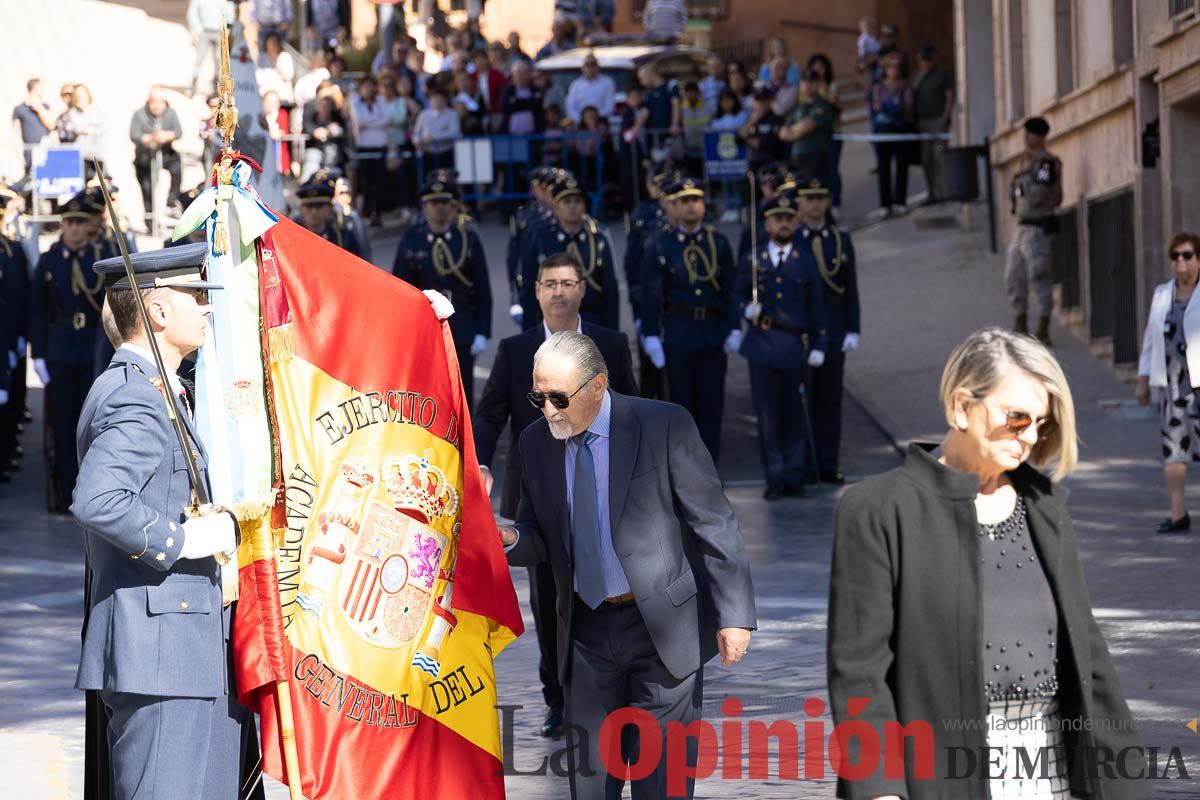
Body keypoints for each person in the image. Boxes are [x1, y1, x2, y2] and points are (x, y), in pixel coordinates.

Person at [828, 327, 1148, 800]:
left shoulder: (1044, 507)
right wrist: (879, 791)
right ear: (962, 406)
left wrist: (1126, 784)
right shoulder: (877, 510)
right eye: (1017, 419)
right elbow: (859, 674)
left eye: (1042, 423)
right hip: (940, 775)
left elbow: (1089, 657)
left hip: (1050, 764)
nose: (1031, 437)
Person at [498, 330, 756, 800]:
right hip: (585, 633)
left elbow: (713, 521)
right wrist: (511, 538)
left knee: (662, 787)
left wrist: (734, 614)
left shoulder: (664, 425)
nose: (549, 410)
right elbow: (539, 535)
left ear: (598, 386)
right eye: (539, 397)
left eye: (560, 397)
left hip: (661, 631)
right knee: (591, 787)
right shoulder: (536, 442)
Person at [75, 242, 261, 800]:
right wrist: (182, 539)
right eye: (196, 295)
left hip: (185, 649)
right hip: (159, 655)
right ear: (156, 311)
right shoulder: (136, 396)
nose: (207, 307)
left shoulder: (160, 388)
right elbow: (98, 499)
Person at [474, 252, 637, 739]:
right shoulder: (514, 349)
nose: (560, 292)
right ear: (537, 291)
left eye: (568, 283)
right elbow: (489, 414)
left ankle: (621, 689)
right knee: (550, 600)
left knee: (613, 583)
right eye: (550, 284)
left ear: (583, 288)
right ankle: (559, 698)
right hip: (540, 496)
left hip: (604, 488)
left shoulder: (609, 343)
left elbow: (632, 407)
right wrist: (479, 463)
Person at [733, 191, 827, 499]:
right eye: (777, 219)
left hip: (793, 346)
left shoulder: (805, 260)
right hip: (762, 345)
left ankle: (794, 476)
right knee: (768, 417)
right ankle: (774, 477)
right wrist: (746, 308)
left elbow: (817, 306)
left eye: (788, 218)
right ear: (767, 223)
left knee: (794, 415)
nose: (783, 224)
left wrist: (819, 343)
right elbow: (736, 294)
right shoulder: (753, 259)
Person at [640, 177, 737, 463]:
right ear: (674, 206)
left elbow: (730, 289)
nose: (692, 207)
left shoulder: (717, 242)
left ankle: (710, 467)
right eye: (684, 201)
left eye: (696, 200)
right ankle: (683, 470)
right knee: (682, 405)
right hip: (679, 332)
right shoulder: (661, 244)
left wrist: (734, 327)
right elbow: (650, 293)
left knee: (712, 404)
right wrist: (651, 334)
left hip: (711, 332)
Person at [29, 193, 108, 513]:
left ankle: (91, 488)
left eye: (80, 222)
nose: (74, 228)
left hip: (92, 348)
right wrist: (38, 353)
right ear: (62, 224)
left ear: (88, 226)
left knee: (91, 423)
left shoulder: (99, 257)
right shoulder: (50, 260)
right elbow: (38, 310)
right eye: (69, 222)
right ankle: (65, 488)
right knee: (62, 424)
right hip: (60, 350)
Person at [392, 172, 492, 408]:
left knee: (462, 393)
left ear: (453, 205)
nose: (439, 209)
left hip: (462, 325)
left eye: (444, 203)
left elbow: (482, 287)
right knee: (428, 393)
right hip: (425, 328)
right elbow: (400, 287)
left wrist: (482, 331)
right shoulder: (412, 238)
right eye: (433, 203)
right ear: (424, 206)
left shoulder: (467, 238)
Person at [794, 177, 859, 484]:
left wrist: (853, 327)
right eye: (810, 198)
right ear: (800, 203)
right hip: (803, 332)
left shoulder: (839, 240)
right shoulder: (794, 241)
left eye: (821, 197)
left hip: (833, 330)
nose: (816, 204)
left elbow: (850, 289)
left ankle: (829, 463)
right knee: (804, 399)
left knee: (830, 400)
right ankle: (806, 466)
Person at [1136, 232, 1200, 534]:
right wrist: (1143, 379)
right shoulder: (1163, 294)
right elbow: (1150, 339)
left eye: (1187, 255)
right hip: (1172, 387)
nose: (1181, 262)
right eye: (1175, 257)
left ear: (1198, 259)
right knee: (1174, 452)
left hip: (1199, 385)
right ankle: (1178, 515)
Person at [519, 173, 620, 331]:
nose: (572, 206)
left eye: (577, 201)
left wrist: (613, 332)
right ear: (556, 206)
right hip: (552, 324)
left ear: (584, 206)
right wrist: (530, 333)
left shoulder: (597, 240)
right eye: (566, 202)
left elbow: (610, 291)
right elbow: (529, 290)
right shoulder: (542, 239)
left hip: (591, 321)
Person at [1005, 116, 1062, 345]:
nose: (1026, 139)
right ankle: (1020, 321)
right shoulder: (1025, 163)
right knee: (1013, 276)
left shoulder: (1045, 164)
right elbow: (1016, 196)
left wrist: (1022, 183)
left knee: (1039, 275)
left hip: (1038, 228)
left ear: (1040, 137)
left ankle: (1043, 325)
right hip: (1022, 226)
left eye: (1030, 134)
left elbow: (1039, 195)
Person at [0, 189, 31, 483]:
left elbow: (19, 297)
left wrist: (18, 337)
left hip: (5, 336)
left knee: (6, 407)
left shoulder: (11, 250)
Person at [869, 51, 914, 215]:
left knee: (902, 165)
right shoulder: (879, 87)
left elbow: (908, 105)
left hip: (900, 128)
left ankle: (900, 201)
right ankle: (885, 204)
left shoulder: (905, 86)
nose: (893, 70)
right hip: (884, 130)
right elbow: (877, 106)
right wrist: (891, 109)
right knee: (884, 166)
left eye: (897, 66)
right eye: (890, 66)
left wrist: (898, 110)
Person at [129, 87, 183, 223]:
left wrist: (167, 135)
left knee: (177, 165)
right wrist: (149, 138)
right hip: (145, 155)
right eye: (153, 101)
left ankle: (172, 199)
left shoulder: (171, 113)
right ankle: (149, 216)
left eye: (160, 101)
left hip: (165, 152)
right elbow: (134, 135)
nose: (157, 105)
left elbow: (178, 132)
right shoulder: (139, 114)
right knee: (147, 186)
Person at [913, 44, 954, 203]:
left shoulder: (942, 74)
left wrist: (945, 117)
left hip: (937, 119)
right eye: (921, 61)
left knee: (940, 157)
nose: (923, 64)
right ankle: (931, 191)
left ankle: (943, 191)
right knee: (926, 158)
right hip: (923, 120)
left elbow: (949, 96)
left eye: (925, 61)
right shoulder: (918, 76)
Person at [779, 68, 835, 184]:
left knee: (815, 197)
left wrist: (794, 130)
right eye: (804, 82)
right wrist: (797, 130)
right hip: (797, 160)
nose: (808, 85)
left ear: (818, 84)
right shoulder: (799, 107)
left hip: (815, 159)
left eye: (812, 81)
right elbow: (783, 133)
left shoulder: (822, 106)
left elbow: (806, 127)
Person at [804, 53, 843, 213]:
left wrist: (821, 89)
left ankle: (835, 204)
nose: (818, 69)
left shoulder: (832, 86)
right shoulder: (806, 88)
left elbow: (835, 107)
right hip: (814, 136)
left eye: (821, 66)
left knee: (832, 169)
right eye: (815, 66)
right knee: (818, 171)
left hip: (832, 133)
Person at [350, 75, 390, 227]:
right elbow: (359, 120)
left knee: (380, 180)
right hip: (364, 146)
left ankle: (378, 212)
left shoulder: (381, 100)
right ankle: (367, 212)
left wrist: (370, 124)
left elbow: (387, 118)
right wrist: (377, 123)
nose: (368, 89)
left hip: (380, 145)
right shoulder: (355, 102)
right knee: (366, 180)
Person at [294, 173, 365, 257]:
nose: (314, 211)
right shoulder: (292, 236)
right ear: (301, 209)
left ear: (330, 208)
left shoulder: (342, 237)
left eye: (319, 206)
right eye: (309, 207)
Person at [187, 0, 236, 97]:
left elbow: (229, 14)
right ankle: (193, 86)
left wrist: (228, 30)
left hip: (219, 32)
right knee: (199, 59)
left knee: (219, 60)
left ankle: (217, 87)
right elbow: (191, 14)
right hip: (204, 32)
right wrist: (198, 29)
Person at [12, 78, 58, 179]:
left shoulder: (45, 106)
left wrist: (38, 108)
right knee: (30, 179)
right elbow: (16, 134)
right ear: (36, 88)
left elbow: (52, 126)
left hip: (45, 149)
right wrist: (20, 155)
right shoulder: (19, 109)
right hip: (29, 151)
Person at [412, 86, 461, 175]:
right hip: (428, 153)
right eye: (434, 99)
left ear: (445, 100)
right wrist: (419, 141)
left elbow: (455, 133)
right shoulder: (424, 114)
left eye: (440, 99)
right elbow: (416, 134)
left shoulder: (451, 114)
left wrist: (434, 137)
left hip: (445, 153)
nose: (437, 102)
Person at [739, 88, 787, 175]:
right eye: (757, 100)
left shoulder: (777, 119)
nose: (760, 104)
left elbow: (768, 144)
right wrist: (753, 121)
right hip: (752, 165)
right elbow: (737, 140)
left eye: (763, 100)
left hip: (770, 165)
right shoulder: (751, 120)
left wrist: (746, 140)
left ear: (770, 101)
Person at [69, 85, 108, 180]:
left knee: (100, 186)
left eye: (81, 95)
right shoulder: (72, 113)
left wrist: (93, 130)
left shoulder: (96, 111)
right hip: (80, 157)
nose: (79, 98)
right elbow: (73, 129)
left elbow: (106, 126)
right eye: (76, 95)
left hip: (97, 157)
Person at [566, 53, 616, 125]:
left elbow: (609, 105)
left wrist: (595, 117)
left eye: (593, 64)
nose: (590, 67)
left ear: (597, 66)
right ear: (583, 67)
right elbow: (571, 106)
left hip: (601, 122)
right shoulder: (575, 85)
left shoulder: (607, 83)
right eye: (587, 64)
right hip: (580, 124)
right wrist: (582, 119)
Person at [256, 30, 297, 106]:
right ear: (266, 44)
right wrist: (278, 76)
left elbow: (288, 76)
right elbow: (258, 79)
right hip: (266, 100)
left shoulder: (285, 56)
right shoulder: (261, 58)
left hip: (284, 100)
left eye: (275, 42)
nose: (273, 45)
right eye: (270, 42)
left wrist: (276, 60)